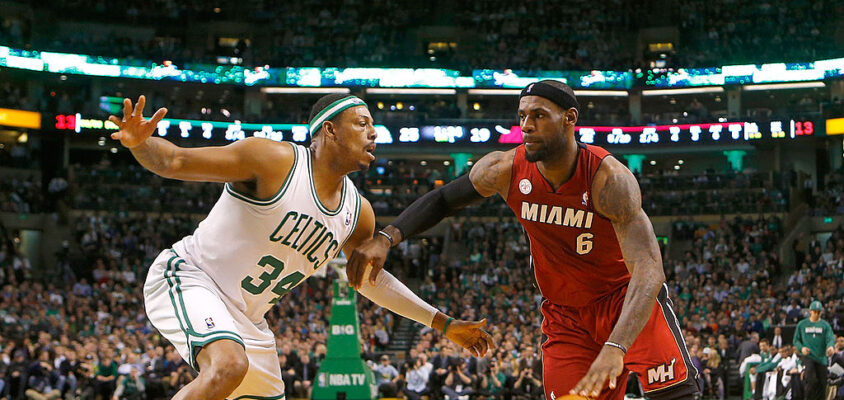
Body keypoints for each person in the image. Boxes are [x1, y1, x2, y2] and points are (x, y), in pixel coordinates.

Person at [108, 94, 494, 400]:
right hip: (191, 277)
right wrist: (141, 144)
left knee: (234, 367)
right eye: (362, 124)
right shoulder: (273, 160)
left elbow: (370, 281)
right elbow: (174, 160)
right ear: (330, 130)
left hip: (249, 321)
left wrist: (443, 324)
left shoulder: (358, 213)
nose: (374, 133)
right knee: (226, 366)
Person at [348, 80, 700, 399]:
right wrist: (386, 237)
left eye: (539, 115)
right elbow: (443, 199)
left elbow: (650, 272)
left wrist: (616, 345)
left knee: (675, 395)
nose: (526, 126)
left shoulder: (609, 180)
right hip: (565, 314)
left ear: (570, 118)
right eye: (521, 116)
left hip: (623, 301)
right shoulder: (503, 169)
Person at [792, 300, 835, 400]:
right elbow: (796, 340)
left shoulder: (825, 325)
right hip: (809, 356)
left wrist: (830, 347)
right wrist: (801, 348)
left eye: (818, 312)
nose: (816, 314)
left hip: (822, 358)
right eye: (814, 311)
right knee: (811, 380)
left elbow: (830, 338)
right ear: (810, 311)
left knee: (822, 383)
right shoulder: (802, 324)